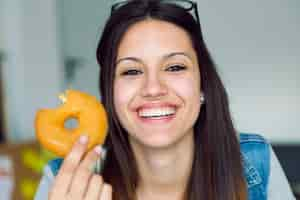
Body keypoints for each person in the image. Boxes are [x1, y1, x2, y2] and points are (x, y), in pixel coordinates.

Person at [34, 0, 296, 199]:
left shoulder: (255, 161)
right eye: (131, 71)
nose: (153, 88)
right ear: (109, 93)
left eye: (174, 67)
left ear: (203, 83)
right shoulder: (62, 180)